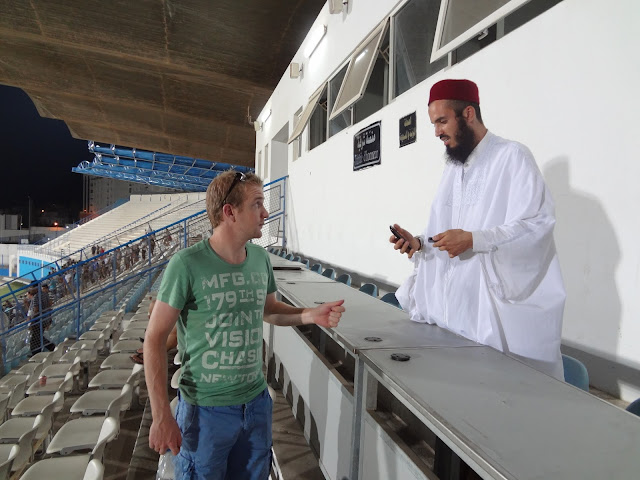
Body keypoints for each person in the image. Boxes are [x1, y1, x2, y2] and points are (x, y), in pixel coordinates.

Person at [145, 170, 345, 480]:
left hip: (255, 406)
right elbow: (155, 338)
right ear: (229, 211)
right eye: (257, 204)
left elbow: (268, 310)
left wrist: (309, 315)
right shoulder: (187, 264)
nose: (266, 213)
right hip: (205, 412)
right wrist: (161, 416)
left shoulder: (260, 259)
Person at [391, 79, 565, 380]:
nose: (437, 132)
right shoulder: (453, 169)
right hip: (451, 315)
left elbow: (537, 226)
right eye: (434, 124)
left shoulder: (512, 157)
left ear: (468, 114)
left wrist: (475, 240)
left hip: (488, 318)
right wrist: (420, 243)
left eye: (442, 121)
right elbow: (443, 232)